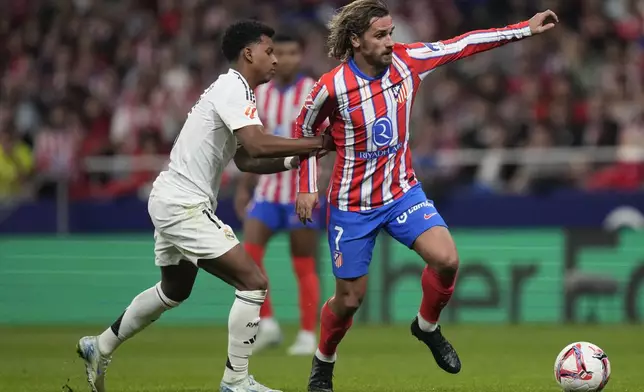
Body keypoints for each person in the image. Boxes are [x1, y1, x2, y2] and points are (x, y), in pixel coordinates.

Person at [292, 1, 558, 391]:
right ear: (356, 40)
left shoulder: (408, 61)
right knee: (349, 301)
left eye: (391, 32)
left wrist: (524, 29)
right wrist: (306, 186)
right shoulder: (331, 86)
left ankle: (426, 326)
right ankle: (323, 363)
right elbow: (303, 130)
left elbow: (464, 43)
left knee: (447, 259)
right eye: (380, 35)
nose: (389, 41)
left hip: (402, 192)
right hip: (353, 205)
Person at [76, 20, 333, 392]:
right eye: (269, 51)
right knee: (254, 281)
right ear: (249, 53)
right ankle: (236, 380)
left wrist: (296, 161)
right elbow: (258, 145)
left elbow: (246, 159)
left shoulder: (237, 91)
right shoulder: (233, 87)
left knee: (174, 290)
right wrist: (315, 145)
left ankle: (99, 346)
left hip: (170, 196)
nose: (275, 60)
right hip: (183, 202)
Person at [235, 31, 324, 356]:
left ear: (300, 56)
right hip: (268, 190)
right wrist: (245, 188)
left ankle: (305, 334)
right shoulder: (261, 94)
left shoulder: (313, 91)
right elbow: (251, 145)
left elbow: (326, 142)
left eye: (291, 53)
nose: (285, 59)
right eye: (279, 53)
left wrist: (317, 187)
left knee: (302, 264)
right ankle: (268, 324)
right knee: (249, 255)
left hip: (301, 191)